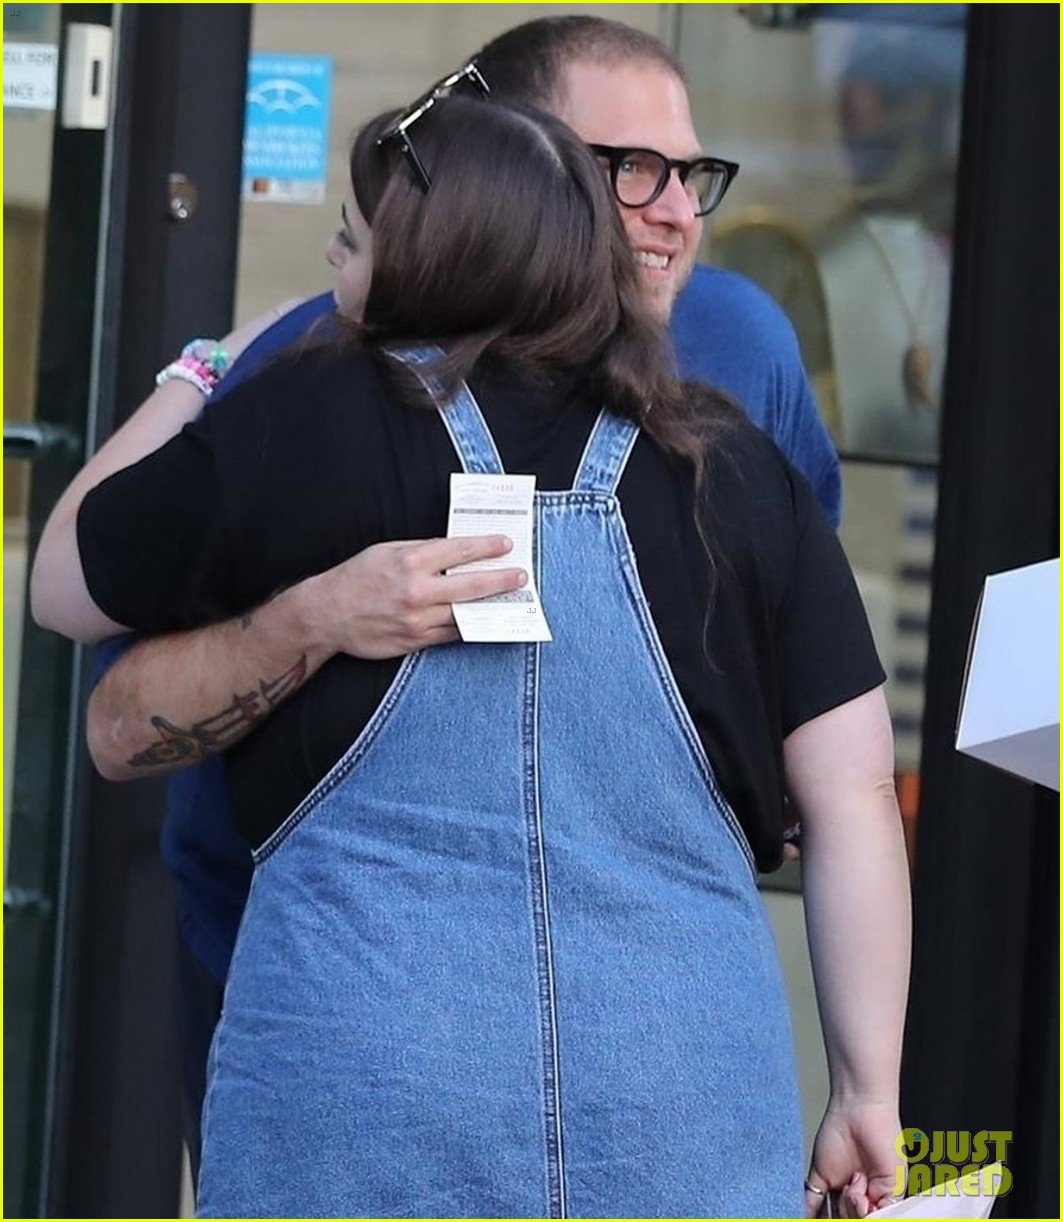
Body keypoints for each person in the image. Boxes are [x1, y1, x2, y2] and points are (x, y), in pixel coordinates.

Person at [39, 79, 909, 1220]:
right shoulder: (732, 469)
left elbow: (64, 588)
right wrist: (865, 1086)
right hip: (681, 1105)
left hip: (359, 1097)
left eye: (354, 241)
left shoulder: (300, 423)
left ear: (424, 256)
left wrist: (210, 367)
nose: (338, 267)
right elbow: (853, 799)